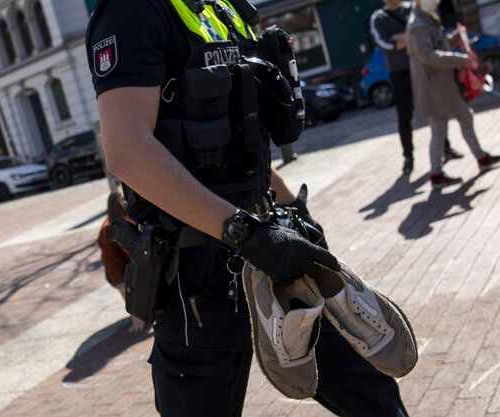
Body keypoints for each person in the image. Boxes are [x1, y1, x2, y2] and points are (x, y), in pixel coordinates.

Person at [86, 0, 410, 415]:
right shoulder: (134, 11)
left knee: (370, 391)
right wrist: (244, 232)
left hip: (273, 242)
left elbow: (233, 143)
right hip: (198, 274)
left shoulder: (221, 9)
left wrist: (292, 206)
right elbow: (127, 150)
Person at [406, 0, 500, 189]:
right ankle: (437, 174)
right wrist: (460, 61)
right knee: (440, 128)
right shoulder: (417, 25)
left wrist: (453, 38)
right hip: (436, 88)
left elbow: (437, 45)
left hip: (443, 85)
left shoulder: (426, 19)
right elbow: (428, 56)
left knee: (463, 118)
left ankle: (480, 158)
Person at [371, 0, 462, 175]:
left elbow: (424, 34)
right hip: (400, 71)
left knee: (435, 106)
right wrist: (411, 38)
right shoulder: (378, 18)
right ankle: (408, 157)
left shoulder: (411, 10)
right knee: (404, 115)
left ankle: (446, 147)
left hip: (420, 67)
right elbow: (388, 44)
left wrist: (401, 37)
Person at [98, 191, 146, 333]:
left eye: (131, 218)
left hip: (145, 261)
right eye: (125, 220)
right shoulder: (107, 232)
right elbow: (115, 271)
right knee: (118, 276)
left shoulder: (144, 218)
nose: (130, 223)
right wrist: (135, 314)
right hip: (129, 267)